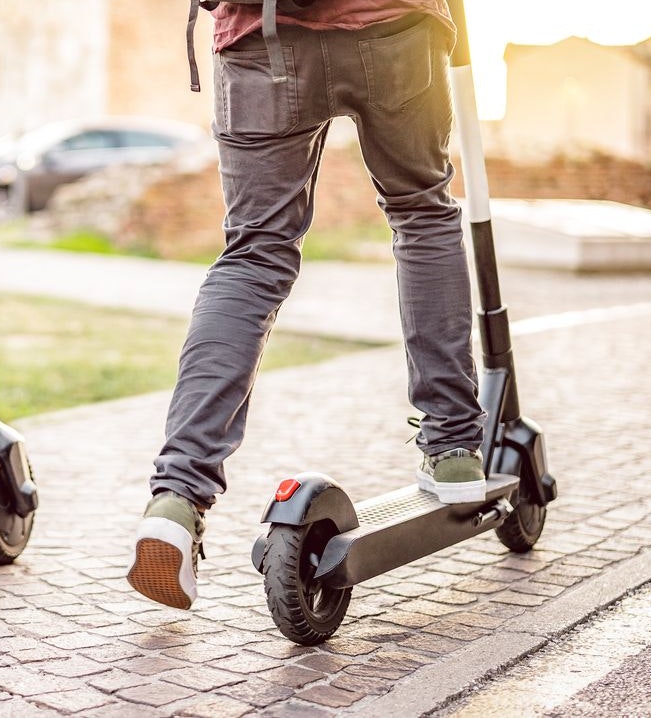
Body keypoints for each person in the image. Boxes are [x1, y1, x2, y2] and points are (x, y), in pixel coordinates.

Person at [128, 0, 485, 610]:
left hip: (260, 35)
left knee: (253, 255)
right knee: (423, 214)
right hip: (394, 26)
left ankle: (177, 497)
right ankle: (453, 449)